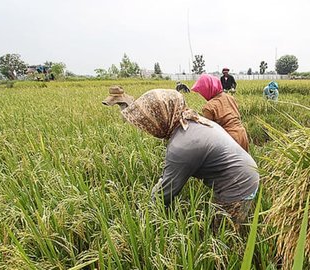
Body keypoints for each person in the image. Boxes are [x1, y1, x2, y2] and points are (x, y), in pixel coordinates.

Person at [102, 88, 260, 229]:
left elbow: (166, 191)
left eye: (149, 122)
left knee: (219, 234)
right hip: (246, 174)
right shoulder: (194, 120)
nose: (148, 128)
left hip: (238, 186)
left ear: (161, 118)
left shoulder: (182, 145)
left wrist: (141, 217)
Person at [192, 74, 250, 152]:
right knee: (244, 162)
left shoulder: (209, 107)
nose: (202, 95)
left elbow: (208, 130)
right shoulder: (230, 98)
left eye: (202, 92)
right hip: (242, 134)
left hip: (229, 139)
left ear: (207, 89)